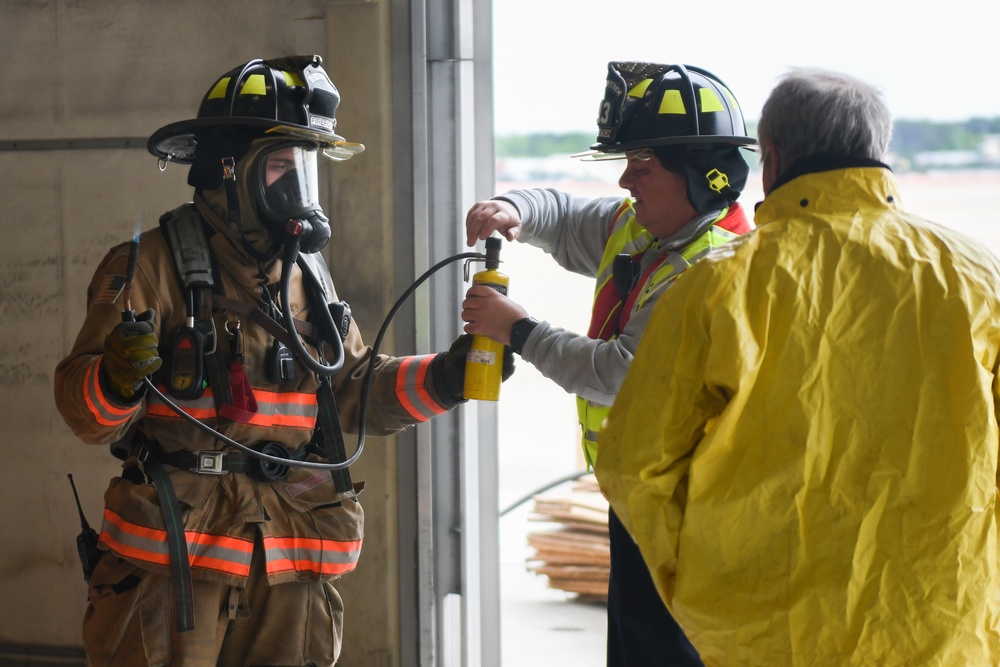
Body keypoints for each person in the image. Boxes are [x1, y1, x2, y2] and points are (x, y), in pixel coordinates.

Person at [54, 55, 511, 667]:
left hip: (289, 560)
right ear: (228, 171)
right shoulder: (150, 266)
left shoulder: (306, 276)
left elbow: (351, 387)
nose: (298, 188)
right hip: (177, 567)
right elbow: (87, 417)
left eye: (304, 168)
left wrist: (445, 378)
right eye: (280, 167)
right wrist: (113, 378)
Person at [595, 66, 1000, 665]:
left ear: (774, 158)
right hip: (942, 626)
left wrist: (703, 593)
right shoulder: (974, 278)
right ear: (876, 153)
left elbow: (634, 466)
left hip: (764, 633)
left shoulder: (718, 286)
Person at [463, 61, 756, 666]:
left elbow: (619, 374)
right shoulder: (648, 230)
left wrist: (515, 328)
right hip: (645, 502)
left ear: (700, 177)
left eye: (641, 168)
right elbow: (567, 215)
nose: (626, 181)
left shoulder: (712, 270)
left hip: (690, 515)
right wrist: (512, 207)